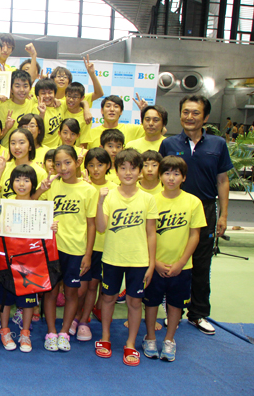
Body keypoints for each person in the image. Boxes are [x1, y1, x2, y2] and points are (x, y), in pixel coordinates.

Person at [159, 95, 232, 335]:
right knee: (173, 260)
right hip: (173, 212)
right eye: (186, 112)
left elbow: (222, 180)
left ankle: (198, 313)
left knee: (201, 262)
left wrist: (223, 215)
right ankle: (173, 311)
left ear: (206, 117)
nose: (189, 117)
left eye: (196, 113)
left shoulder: (218, 144)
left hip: (205, 209)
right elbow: (161, 177)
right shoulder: (168, 144)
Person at [95, 149, 158, 366]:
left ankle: (130, 342)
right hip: (112, 258)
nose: (128, 172)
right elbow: (101, 228)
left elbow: (151, 233)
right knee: (108, 298)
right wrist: (100, 202)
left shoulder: (148, 199)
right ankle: (105, 337)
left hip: (138, 260)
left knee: (134, 302)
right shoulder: (109, 196)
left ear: (140, 171)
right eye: (123, 168)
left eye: (133, 168)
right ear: (116, 171)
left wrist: (151, 263)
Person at [142, 156, 206, 362]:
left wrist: (181, 263)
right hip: (154, 265)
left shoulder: (193, 202)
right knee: (151, 303)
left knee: (176, 304)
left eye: (176, 174)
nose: (171, 178)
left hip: (182, 267)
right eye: (167, 173)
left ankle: (169, 340)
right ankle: (150, 337)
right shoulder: (150, 200)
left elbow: (195, 235)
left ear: (184, 177)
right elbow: (145, 233)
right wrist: (155, 262)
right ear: (160, 176)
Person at [38, 146, 97, 353]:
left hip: (76, 251)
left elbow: (91, 225)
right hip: (53, 249)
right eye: (58, 164)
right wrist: (41, 189)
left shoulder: (89, 190)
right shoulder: (51, 185)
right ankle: (51, 332)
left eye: (67, 162)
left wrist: (88, 254)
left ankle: (64, 332)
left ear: (77, 162)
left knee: (72, 293)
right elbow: (32, 205)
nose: (63, 168)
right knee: (51, 292)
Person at [0, 164, 55, 352]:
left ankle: (25, 333)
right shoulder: (5, 204)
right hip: (9, 261)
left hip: (30, 262)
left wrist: (51, 227)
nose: (21, 184)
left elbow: (45, 231)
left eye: (26, 180)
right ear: (11, 183)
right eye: (17, 180)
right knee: (5, 299)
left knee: (29, 298)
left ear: (33, 183)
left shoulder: (40, 207)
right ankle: (4, 331)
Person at [75, 147, 118, 336]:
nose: (95, 169)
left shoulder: (115, 188)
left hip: (107, 247)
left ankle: (85, 319)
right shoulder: (82, 186)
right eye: (91, 165)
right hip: (85, 246)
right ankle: (77, 317)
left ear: (108, 165)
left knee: (95, 285)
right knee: (81, 287)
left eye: (100, 165)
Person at [0, 128, 48, 199]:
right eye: (13, 143)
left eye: (21, 143)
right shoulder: (5, 167)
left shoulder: (40, 172)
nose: (17, 147)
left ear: (30, 146)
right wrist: (0, 170)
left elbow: (42, 200)